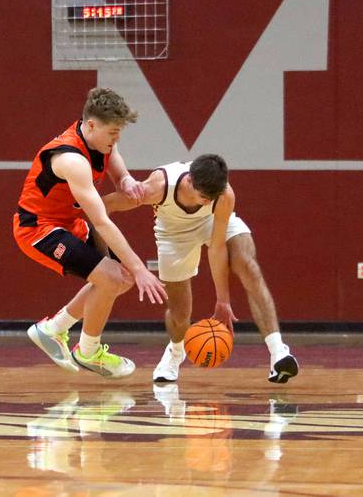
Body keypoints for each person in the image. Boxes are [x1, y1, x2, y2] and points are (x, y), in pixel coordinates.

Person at [13, 87, 167, 379]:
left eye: (119, 132)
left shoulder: (102, 143)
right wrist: (141, 268)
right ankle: (88, 352)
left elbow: (116, 167)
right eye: (113, 132)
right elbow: (103, 221)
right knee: (113, 276)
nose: (117, 139)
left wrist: (126, 180)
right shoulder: (72, 160)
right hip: (38, 229)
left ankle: (54, 329)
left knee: (120, 280)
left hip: (68, 222)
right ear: (92, 125)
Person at [104, 154, 298, 383]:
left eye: (211, 197)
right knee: (179, 314)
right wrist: (105, 255)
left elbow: (216, 249)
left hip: (212, 223)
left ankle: (278, 352)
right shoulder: (158, 186)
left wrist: (223, 300)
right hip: (174, 234)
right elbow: (104, 206)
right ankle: (176, 352)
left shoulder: (223, 195)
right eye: (203, 197)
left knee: (247, 265)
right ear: (189, 182)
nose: (207, 201)